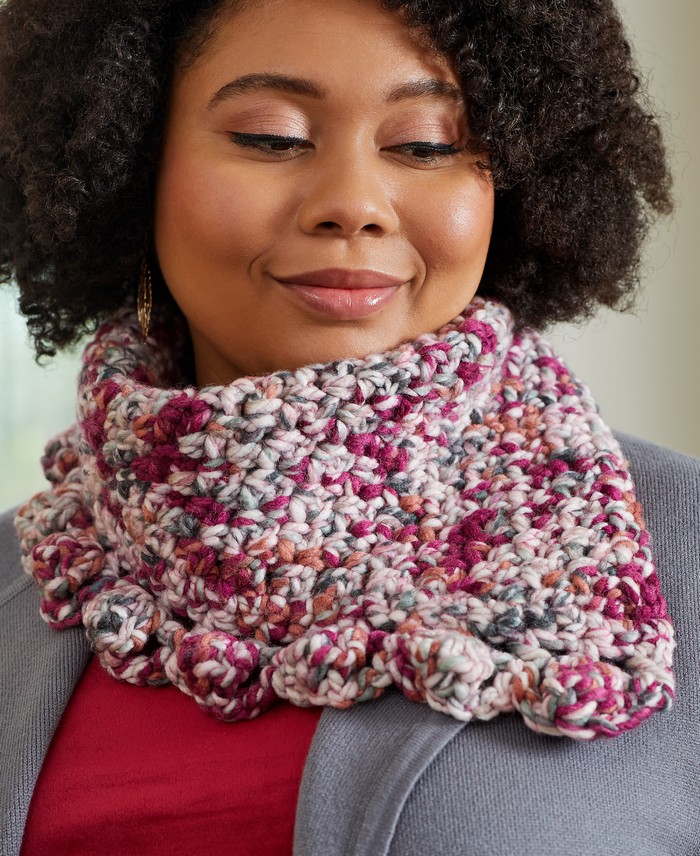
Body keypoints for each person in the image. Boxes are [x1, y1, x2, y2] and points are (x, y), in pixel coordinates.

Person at [0, 0, 698, 854]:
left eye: (426, 146)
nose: (353, 204)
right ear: (126, 165)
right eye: (272, 137)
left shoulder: (686, 544)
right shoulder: (27, 579)